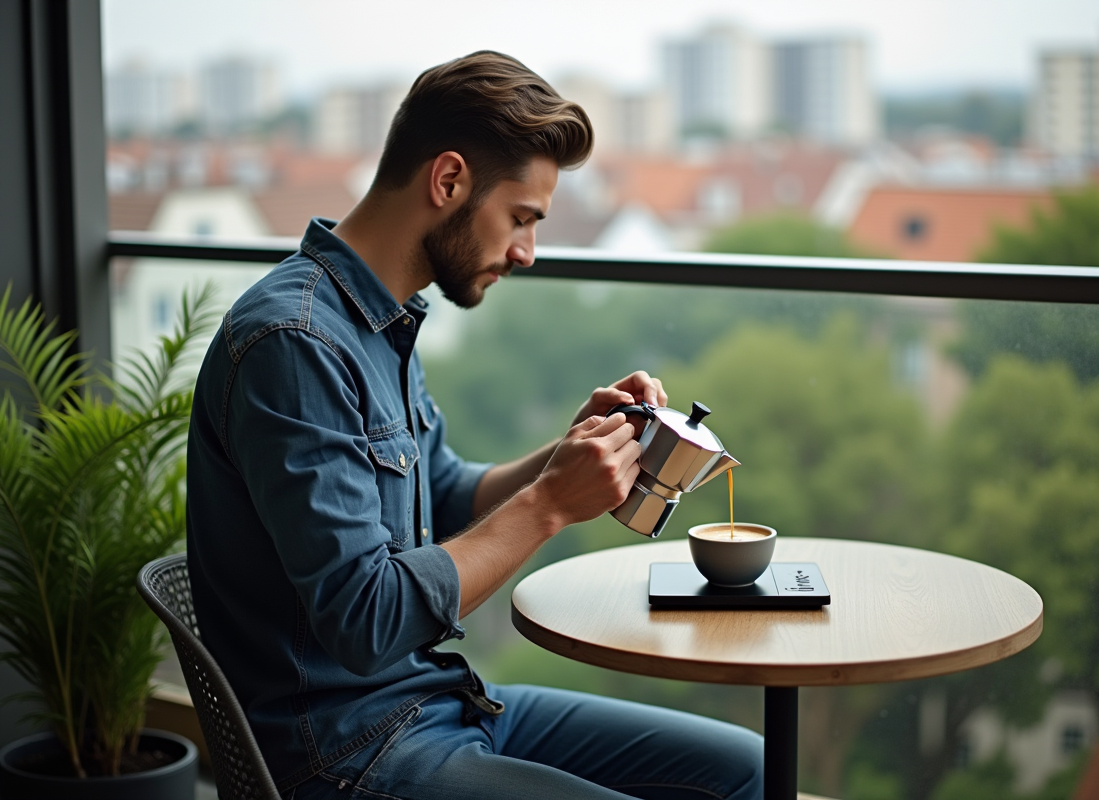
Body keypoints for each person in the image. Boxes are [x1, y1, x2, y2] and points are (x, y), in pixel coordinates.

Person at [186, 51, 764, 800]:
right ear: (449, 180)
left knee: (744, 768)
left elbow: (448, 494)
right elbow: (366, 619)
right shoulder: (294, 344)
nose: (525, 252)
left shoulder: (377, 321)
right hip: (346, 749)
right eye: (521, 218)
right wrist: (552, 504)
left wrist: (567, 452)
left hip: (438, 701)